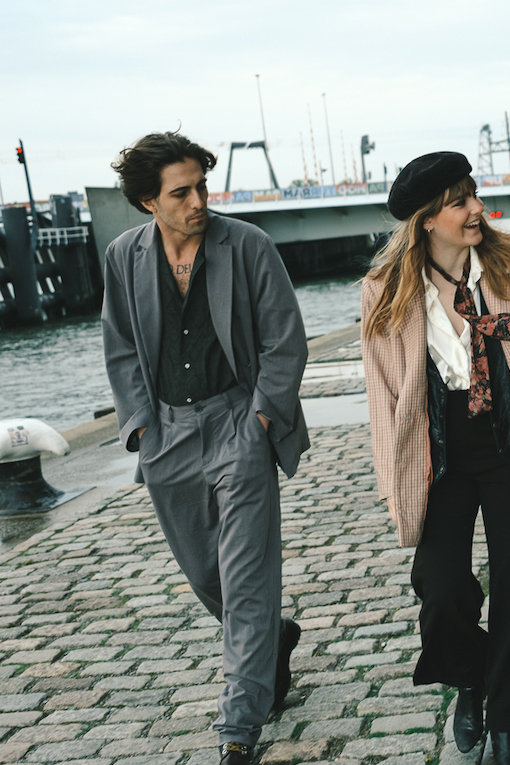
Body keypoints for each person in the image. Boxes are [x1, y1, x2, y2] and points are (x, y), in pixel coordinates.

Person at [362, 152, 510, 765]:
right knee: (441, 589)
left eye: (474, 196)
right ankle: (471, 676)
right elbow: (382, 392)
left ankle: (507, 721)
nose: (476, 210)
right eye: (459, 202)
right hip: (437, 452)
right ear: (426, 219)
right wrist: (391, 479)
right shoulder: (384, 289)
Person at [102, 131, 309, 765]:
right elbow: (119, 345)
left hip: (237, 424)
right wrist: (141, 428)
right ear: (148, 201)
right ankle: (272, 637)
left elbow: (284, 341)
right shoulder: (123, 256)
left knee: (246, 581)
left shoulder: (247, 245)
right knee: (204, 575)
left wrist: (260, 422)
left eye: (201, 187)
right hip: (166, 436)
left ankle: (238, 730)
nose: (198, 202)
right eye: (181, 193)